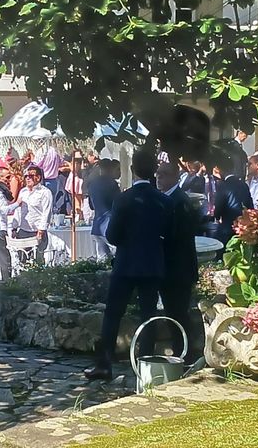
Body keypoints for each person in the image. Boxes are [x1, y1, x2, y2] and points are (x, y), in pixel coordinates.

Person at [85, 150, 174, 381]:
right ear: (154, 170)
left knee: (113, 314)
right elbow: (169, 233)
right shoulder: (164, 200)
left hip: (125, 264)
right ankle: (145, 367)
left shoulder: (124, 198)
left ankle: (104, 364)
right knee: (148, 315)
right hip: (152, 263)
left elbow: (113, 236)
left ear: (132, 170)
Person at [155, 162, 199, 362]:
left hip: (177, 269)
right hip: (172, 268)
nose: (159, 178)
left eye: (163, 175)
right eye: (158, 174)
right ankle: (181, 350)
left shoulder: (178, 200)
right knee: (174, 311)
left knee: (178, 312)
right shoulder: (170, 199)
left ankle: (185, 353)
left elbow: (178, 236)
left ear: (174, 176)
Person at [12, 165, 53, 263]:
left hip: (37, 231)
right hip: (23, 231)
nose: (28, 178)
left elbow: (46, 212)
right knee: (22, 260)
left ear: (38, 177)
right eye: (26, 176)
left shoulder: (45, 192)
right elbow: (18, 210)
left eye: (31, 176)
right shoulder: (23, 191)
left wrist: (41, 230)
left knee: (38, 260)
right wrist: (14, 227)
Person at [212, 158, 254, 247]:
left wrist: (216, 215)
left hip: (227, 226)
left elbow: (219, 208)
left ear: (219, 170)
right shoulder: (243, 184)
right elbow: (250, 205)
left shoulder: (223, 186)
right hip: (242, 226)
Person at [88, 159, 121, 261]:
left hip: (97, 225)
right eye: (118, 169)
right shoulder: (112, 184)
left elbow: (91, 206)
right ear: (111, 169)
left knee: (102, 261)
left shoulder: (92, 184)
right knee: (119, 255)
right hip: (109, 224)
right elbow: (118, 204)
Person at [0, 167, 14, 281]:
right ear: (0, 178)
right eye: (7, 177)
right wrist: (17, 204)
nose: (9, 180)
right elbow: (3, 210)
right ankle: (7, 282)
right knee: (4, 257)